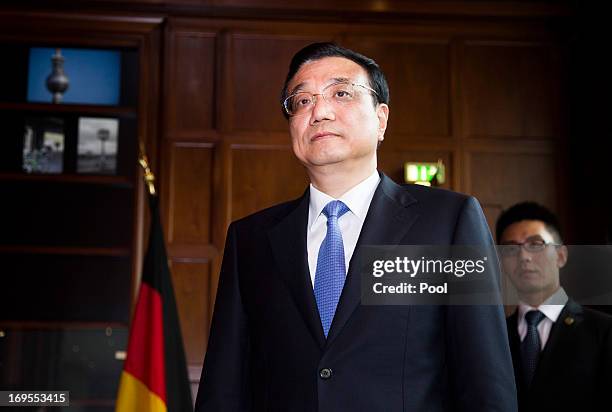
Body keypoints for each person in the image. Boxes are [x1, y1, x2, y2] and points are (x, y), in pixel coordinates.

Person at [195, 42, 517, 411]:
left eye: (341, 93)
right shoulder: (250, 239)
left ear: (381, 119)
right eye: (301, 101)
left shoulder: (448, 223)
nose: (319, 111)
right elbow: (224, 386)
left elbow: (485, 379)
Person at [496, 202, 612, 412]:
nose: (524, 257)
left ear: (561, 255)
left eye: (536, 244)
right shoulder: (495, 337)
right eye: (511, 248)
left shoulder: (603, 331)